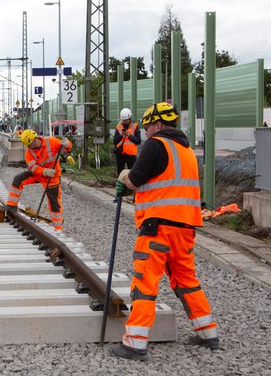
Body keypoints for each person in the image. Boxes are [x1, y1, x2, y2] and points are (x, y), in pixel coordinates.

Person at [108, 102, 219, 361]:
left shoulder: (155, 145)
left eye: (148, 127)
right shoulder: (186, 150)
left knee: (144, 284)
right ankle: (208, 333)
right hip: (186, 228)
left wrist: (124, 176)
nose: (145, 132)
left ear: (157, 125)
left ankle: (135, 343)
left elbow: (135, 180)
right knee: (186, 280)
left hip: (157, 227)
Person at [4, 130, 72, 231]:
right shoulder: (29, 152)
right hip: (38, 174)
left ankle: (57, 227)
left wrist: (67, 144)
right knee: (18, 179)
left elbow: (66, 150)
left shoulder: (51, 142)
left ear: (35, 140)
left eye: (29, 144)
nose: (29, 147)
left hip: (52, 177)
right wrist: (44, 171)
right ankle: (11, 206)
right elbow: (33, 168)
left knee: (54, 204)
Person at [113, 108, 141, 176]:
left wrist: (129, 136)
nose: (124, 121)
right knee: (120, 173)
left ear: (129, 118)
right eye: (123, 120)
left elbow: (138, 141)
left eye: (126, 120)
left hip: (131, 154)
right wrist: (121, 135)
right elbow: (115, 141)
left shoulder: (135, 126)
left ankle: (130, 186)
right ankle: (121, 186)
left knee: (132, 173)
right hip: (120, 153)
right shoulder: (118, 127)